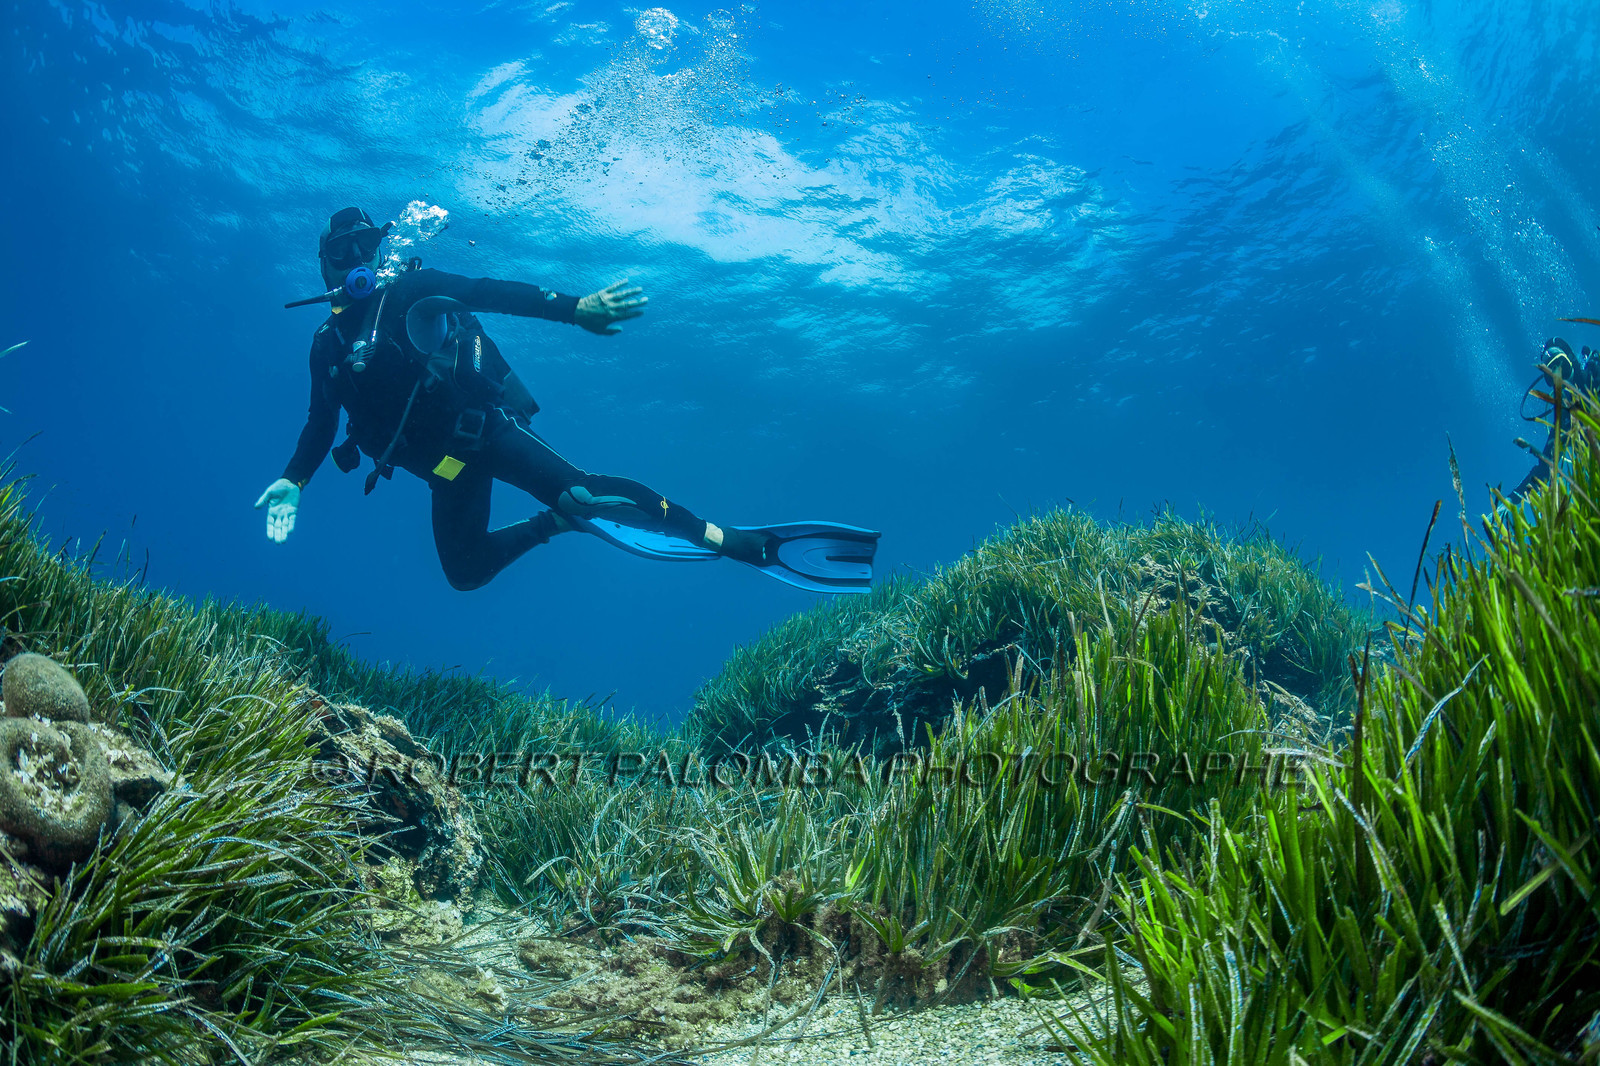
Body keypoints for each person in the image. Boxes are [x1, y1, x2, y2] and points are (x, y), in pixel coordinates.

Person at [255, 207, 877, 593]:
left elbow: (484, 289)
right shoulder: (327, 345)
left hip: (483, 436)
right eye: (341, 255)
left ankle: (736, 541)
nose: (356, 262)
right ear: (324, 267)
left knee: (583, 491)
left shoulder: (411, 291)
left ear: (379, 251)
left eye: (366, 248)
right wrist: (293, 481)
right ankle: (555, 525)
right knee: (464, 575)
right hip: (446, 475)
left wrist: (572, 308)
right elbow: (320, 423)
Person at [1508, 335, 1598, 504]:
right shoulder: (1564, 415)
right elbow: (1546, 467)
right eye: (1552, 376)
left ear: (1571, 360)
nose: (1560, 378)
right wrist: (1510, 500)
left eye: (1562, 366)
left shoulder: (1595, 374)